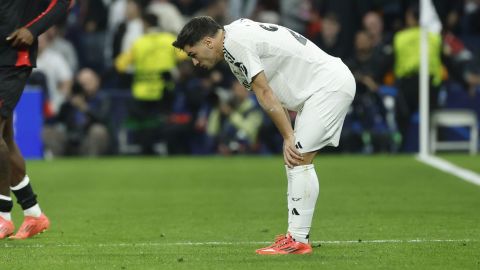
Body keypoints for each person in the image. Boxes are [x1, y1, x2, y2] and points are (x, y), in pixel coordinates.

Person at [173, 16, 355, 255]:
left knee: (297, 158)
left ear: (208, 42)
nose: (195, 62)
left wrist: (288, 136)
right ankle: (295, 236)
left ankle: (298, 240)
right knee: (295, 162)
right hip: (319, 89)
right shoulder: (233, 33)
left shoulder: (235, 44)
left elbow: (265, 92)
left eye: (193, 54)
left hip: (327, 87)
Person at [0, 0, 71, 239]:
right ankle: (34, 214)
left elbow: (63, 3)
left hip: (12, 58)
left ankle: (2, 215)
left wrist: (33, 29)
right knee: (5, 139)